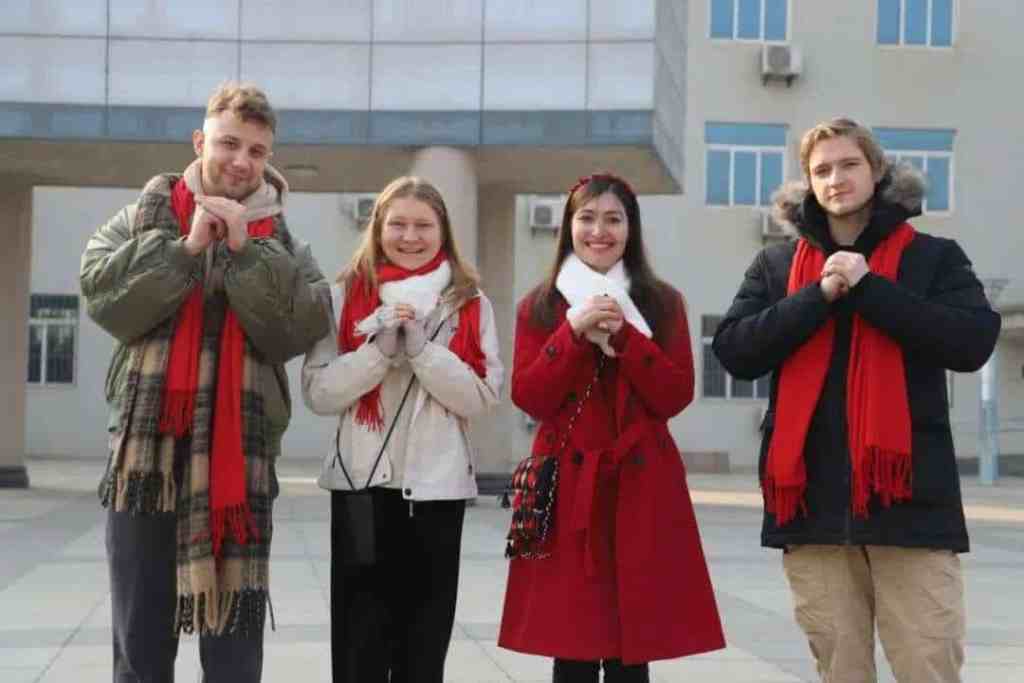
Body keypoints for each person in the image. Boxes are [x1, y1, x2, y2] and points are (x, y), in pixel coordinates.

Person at [712, 118, 1001, 682]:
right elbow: (735, 350)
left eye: (849, 164)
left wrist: (870, 288)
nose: (836, 179)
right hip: (813, 511)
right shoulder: (775, 267)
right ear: (807, 184)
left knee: (928, 664)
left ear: (876, 171)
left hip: (912, 507)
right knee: (841, 671)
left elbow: (972, 342)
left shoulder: (933, 258)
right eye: (821, 170)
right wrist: (817, 296)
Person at [79, 82, 330, 682]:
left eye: (258, 151)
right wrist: (185, 249)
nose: (242, 162)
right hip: (146, 466)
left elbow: (294, 330)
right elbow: (105, 300)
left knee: (234, 651)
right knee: (140, 640)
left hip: (237, 466)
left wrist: (245, 254)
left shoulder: (287, 246)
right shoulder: (139, 219)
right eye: (229, 143)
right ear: (200, 141)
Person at [498, 173, 726, 682]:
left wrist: (627, 339)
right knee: (572, 643)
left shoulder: (662, 303)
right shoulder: (541, 305)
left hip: (640, 484)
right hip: (568, 487)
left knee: (631, 644)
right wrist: (574, 333)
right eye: (586, 218)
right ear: (568, 227)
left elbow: (674, 394)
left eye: (613, 219)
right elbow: (530, 395)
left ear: (631, 229)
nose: (599, 231)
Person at [302, 176, 504, 683]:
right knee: (358, 652)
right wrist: (379, 353)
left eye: (423, 225)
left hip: (436, 493)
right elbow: (319, 393)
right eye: (398, 224)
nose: (410, 237)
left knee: (422, 650)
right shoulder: (342, 294)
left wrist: (421, 351)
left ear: (443, 232)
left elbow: (480, 396)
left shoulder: (469, 302)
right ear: (378, 228)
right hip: (361, 492)